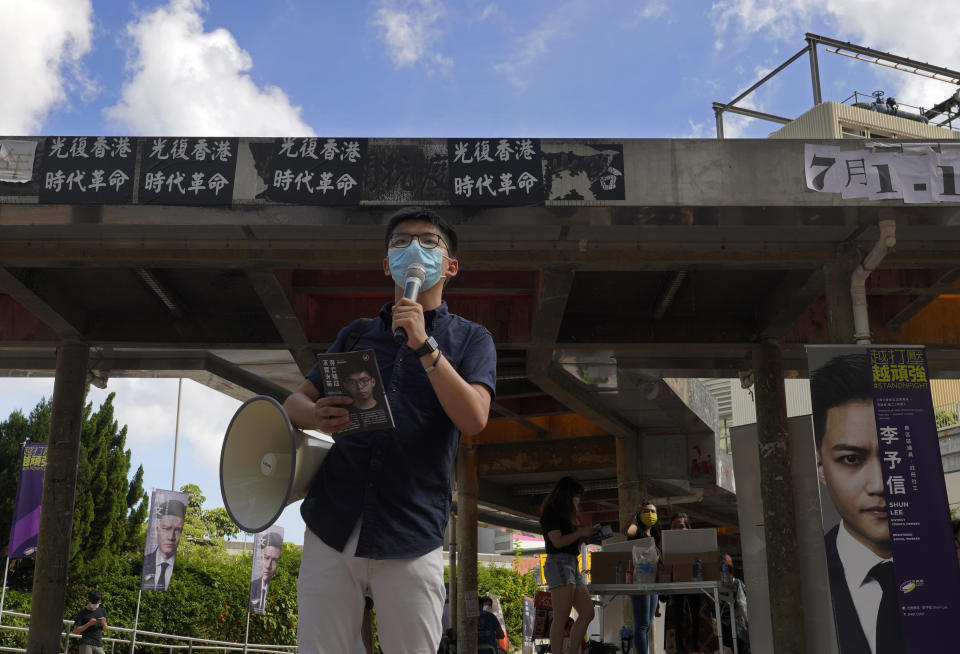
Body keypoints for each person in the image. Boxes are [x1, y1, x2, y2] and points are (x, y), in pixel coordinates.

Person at [284, 207, 497, 653]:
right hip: (332, 520)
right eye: (400, 242)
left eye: (428, 242)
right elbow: (293, 403)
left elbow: (474, 418)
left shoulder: (472, 339)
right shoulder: (357, 333)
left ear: (451, 266)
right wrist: (316, 414)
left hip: (411, 528)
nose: (413, 250)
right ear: (386, 263)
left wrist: (425, 346)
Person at [810, 353, 905, 654]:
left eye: (893, 456)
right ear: (820, 466)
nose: (879, 485)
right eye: (851, 459)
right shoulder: (807, 576)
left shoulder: (944, 564)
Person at [539, 476, 595, 654]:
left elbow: (569, 542)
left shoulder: (567, 516)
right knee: (562, 615)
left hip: (572, 562)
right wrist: (580, 532)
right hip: (559, 563)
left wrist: (584, 536)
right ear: (567, 495)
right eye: (576, 496)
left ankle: (572, 651)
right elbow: (557, 542)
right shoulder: (551, 512)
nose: (578, 500)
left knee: (587, 612)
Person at [662, 513, 717, 654]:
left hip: (697, 601)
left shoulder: (700, 549)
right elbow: (663, 583)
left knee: (699, 642)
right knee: (679, 644)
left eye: (681, 526)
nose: (677, 530)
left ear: (689, 529)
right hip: (676, 602)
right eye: (673, 527)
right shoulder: (666, 552)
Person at [624, 499, 662, 654]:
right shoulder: (636, 530)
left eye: (653, 511)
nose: (650, 514)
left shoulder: (656, 534)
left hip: (653, 584)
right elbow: (625, 530)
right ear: (640, 515)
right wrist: (634, 512)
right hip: (639, 581)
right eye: (646, 512)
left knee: (648, 623)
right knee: (641, 624)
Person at [142, 499, 185, 590]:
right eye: (166, 528)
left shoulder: (183, 569)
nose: (171, 537)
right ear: (157, 530)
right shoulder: (145, 562)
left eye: (178, 530)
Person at [719, 553, 749, 654]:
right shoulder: (722, 585)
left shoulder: (737, 583)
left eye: (726, 566)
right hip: (729, 628)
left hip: (736, 627)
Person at [249, 532, 282, 612]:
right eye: (266, 558)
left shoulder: (279, 591)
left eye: (274, 560)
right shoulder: (252, 586)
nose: (268, 566)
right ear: (260, 558)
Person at [72, 589, 108, 654]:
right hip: (86, 643)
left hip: (99, 644)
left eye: (99, 602)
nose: (98, 603)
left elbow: (105, 629)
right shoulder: (82, 613)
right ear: (90, 601)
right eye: (96, 602)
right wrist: (88, 624)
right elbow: (75, 631)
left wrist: (104, 623)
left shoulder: (103, 611)